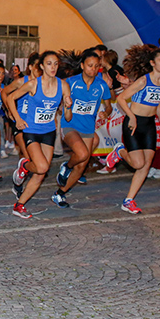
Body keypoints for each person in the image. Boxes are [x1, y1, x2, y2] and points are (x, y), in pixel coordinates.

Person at [105, 45, 160, 214]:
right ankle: (120, 151)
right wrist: (132, 117)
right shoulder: (143, 81)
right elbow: (121, 98)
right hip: (133, 122)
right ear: (153, 63)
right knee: (138, 163)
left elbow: (158, 105)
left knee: (145, 166)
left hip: (149, 125)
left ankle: (129, 200)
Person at [8, 51, 72, 219]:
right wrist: (18, 119)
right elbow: (10, 98)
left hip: (49, 132)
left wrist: (68, 106)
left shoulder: (63, 86)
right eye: (49, 64)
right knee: (42, 167)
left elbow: (67, 117)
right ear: (42, 66)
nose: (53, 67)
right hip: (31, 131)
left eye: (56, 64)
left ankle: (19, 205)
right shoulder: (33, 84)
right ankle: (24, 166)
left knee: (41, 173)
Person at [53, 50, 112, 207]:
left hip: (88, 128)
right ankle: (66, 166)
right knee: (82, 153)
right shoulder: (71, 82)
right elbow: (56, 97)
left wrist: (106, 113)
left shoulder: (102, 85)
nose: (93, 69)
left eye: (96, 66)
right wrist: (62, 106)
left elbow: (109, 106)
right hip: (70, 125)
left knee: (81, 166)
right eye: (90, 65)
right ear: (82, 66)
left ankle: (60, 194)